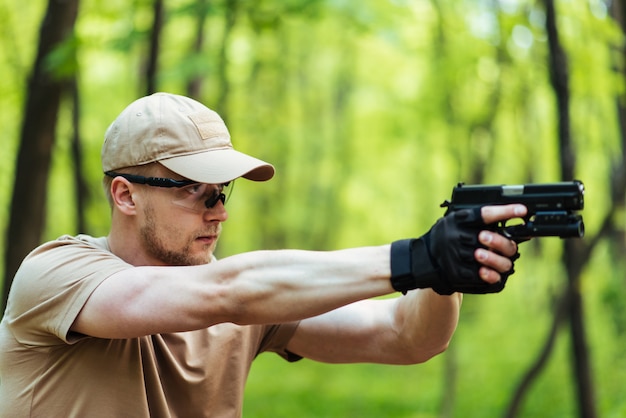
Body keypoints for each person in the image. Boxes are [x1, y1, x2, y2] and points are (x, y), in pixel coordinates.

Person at [0, 92, 526, 417]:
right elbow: (226, 292)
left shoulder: (242, 306)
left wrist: (447, 270)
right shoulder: (56, 274)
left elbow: (406, 337)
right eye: (194, 189)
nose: (218, 211)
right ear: (125, 194)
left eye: (222, 191)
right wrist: (415, 257)